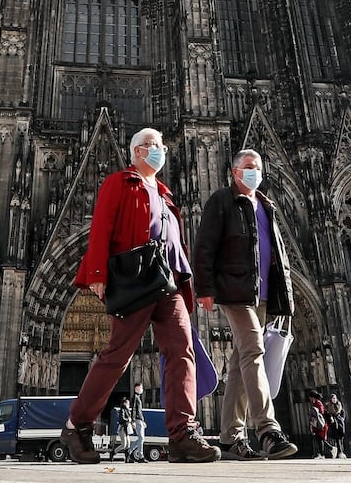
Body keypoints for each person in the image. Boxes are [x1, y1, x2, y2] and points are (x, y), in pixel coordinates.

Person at [61, 128, 220, 464]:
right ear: (135, 152)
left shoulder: (166, 193)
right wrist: (97, 274)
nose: (158, 150)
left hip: (167, 280)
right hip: (134, 277)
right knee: (118, 355)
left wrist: (190, 280)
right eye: (151, 145)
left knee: (182, 350)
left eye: (161, 146)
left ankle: (182, 433)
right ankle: (77, 424)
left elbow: (175, 242)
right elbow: (102, 225)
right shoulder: (119, 182)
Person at [192, 148, 297, 461]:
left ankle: (229, 438)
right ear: (234, 172)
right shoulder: (222, 201)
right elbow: (205, 246)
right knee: (254, 349)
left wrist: (286, 293)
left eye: (258, 167)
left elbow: (276, 252)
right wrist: (206, 288)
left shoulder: (266, 205)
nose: (255, 172)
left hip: (262, 292)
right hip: (235, 289)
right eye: (249, 167)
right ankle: (268, 429)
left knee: (239, 361)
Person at [307, 390, 330, 459]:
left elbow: (321, 412)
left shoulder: (318, 403)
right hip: (317, 424)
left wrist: (314, 413)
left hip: (321, 424)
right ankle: (326, 450)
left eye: (310, 397)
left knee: (320, 439)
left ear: (313, 397)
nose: (310, 399)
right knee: (319, 439)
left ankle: (322, 454)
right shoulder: (315, 403)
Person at [110, 397, 133, 462]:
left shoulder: (127, 410)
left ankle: (127, 459)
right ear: (124, 403)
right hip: (123, 428)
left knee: (128, 444)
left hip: (127, 428)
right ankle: (113, 452)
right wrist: (128, 420)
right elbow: (121, 419)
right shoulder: (122, 410)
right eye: (128, 403)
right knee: (124, 444)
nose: (129, 404)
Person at [129, 382, 147, 463]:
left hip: (139, 419)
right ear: (137, 388)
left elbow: (139, 411)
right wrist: (133, 421)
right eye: (141, 387)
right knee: (141, 438)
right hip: (137, 419)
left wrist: (143, 420)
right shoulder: (135, 397)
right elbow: (134, 410)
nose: (142, 389)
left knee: (141, 438)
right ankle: (140, 456)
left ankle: (128, 452)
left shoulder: (138, 397)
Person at [326, 393, 347, 459]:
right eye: (333, 398)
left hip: (340, 422)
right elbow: (327, 414)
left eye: (335, 398)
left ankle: (341, 452)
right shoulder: (328, 406)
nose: (334, 400)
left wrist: (342, 419)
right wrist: (331, 418)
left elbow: (343, 412)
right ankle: (340, 452)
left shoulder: (339, 405)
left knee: (341, 437)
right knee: (337, 438)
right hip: (334, 423)